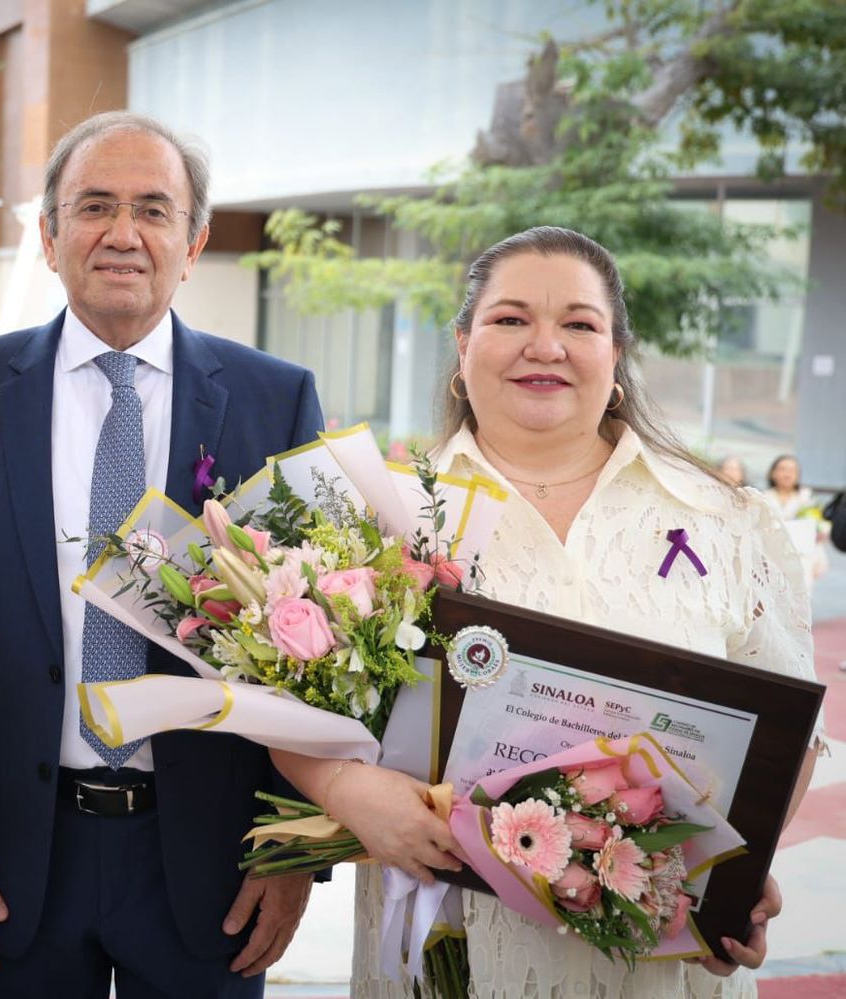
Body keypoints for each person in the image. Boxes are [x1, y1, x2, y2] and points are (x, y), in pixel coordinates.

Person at [0, 111, 399, 997]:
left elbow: (320, 651)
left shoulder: (275, 398)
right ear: (49, 236)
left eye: (153, 209)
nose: (123, 234)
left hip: (213, 865)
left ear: (194, 241)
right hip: (17, 854)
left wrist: (291, 853)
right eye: (94, 206)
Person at [329, 226, 819, 998]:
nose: (545, 346)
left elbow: (788, 736)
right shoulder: (380, 518)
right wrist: (346, 791)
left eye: (580, 324)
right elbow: (301, 718)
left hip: (661, 955)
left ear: (616, 354)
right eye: (511, 318)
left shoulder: (723, 519)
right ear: (462, 345)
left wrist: (734, 875)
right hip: (454, 949)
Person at [762, 454, 829, 583]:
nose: (787, 474)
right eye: (783, 469)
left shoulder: (807, 497)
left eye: (792, 470)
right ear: (772, 473)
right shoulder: (763, 497)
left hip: (801, 557)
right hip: (772, 557)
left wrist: (820, 532)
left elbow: (820, 525)